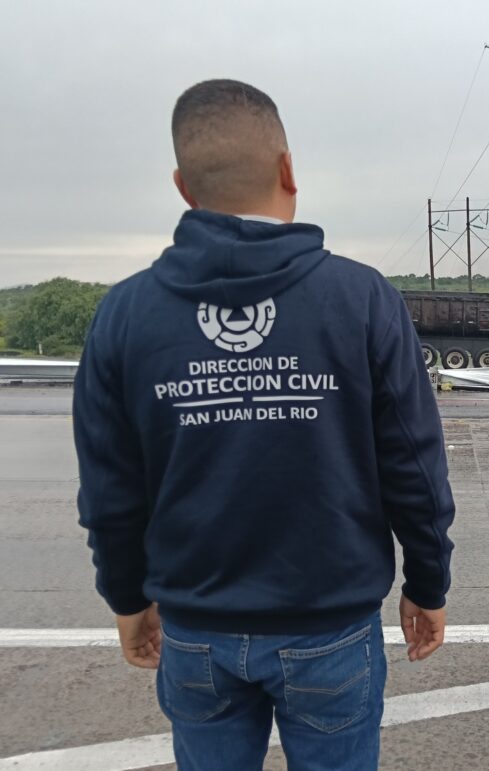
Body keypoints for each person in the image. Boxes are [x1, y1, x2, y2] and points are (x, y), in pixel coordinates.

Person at [73, 79, 455, 770]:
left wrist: (127, 599)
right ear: (287, 171)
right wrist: (429, 583)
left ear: (183, 187)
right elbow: (415, 465)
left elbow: (109, 489)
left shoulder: (125, 316)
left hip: (195, 633)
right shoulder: (362, 299)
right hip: (330, 626)